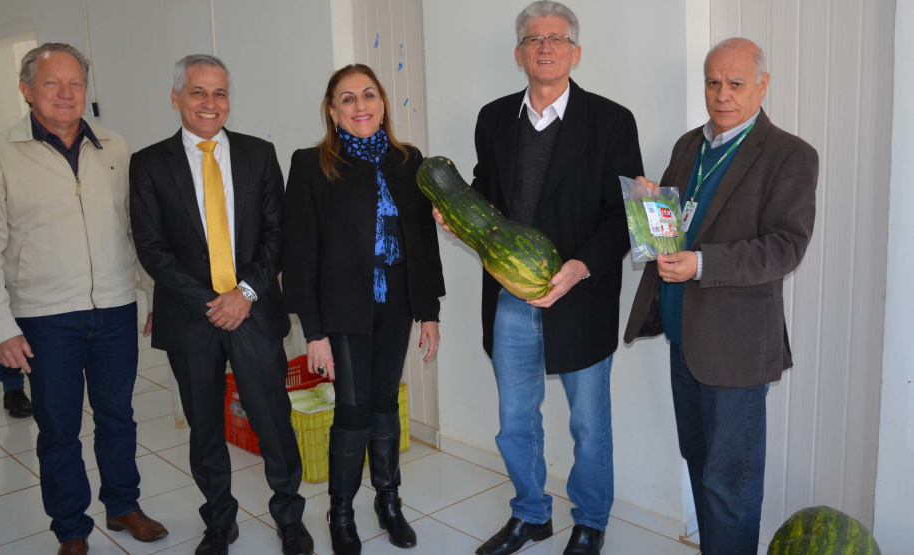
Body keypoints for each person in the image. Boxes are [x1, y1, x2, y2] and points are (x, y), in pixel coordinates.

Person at [433, 2, 643, 554]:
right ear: (519, 54)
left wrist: (579, 267)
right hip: (509, 293)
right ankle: (530, 514)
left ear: (576, 51)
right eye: (533, 39)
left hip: (581, 292)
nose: (544, 47)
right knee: (513, 421)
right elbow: (485, 194)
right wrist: (457, 213)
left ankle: (591, 519)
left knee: (590, 425)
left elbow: (622, 215)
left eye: (556, 37)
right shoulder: (494, 118)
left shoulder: (611, 120)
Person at [624, 38, 818, 555]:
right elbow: (673, 231)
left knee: (729, 487)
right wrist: (650, 205)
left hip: (735, 353)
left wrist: (703, 263)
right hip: (682, 339)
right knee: (699, 464)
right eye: (713, 82)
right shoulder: (690, 144)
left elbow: (785, 247)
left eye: (736, 83)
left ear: (763, 85)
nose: (723, 94)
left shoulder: (790, 155)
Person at [129, 54, 311, 555]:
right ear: (176, 98)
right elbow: (151, 249)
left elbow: (278, 233)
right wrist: (212, 302)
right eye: (198, 92)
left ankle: (290, 518)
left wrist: (244, 293)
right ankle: (219, 521)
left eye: (220, 93)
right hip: (191, 319)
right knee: (206, 427)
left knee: (273, 421)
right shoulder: (148, 163)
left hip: (252, 311)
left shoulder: (258, 153)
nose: (210, 104)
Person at [0, 43, 165, 555]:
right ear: (27, 91)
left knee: (119, 416)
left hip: (115, 307)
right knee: (59, 431)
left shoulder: (115, 146)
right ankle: (71, 528)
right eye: (52, 83)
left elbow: (135, 231)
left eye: (75, 83)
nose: (66, 94)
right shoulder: (6, 154)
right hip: (45, 318)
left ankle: (123, 505)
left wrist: (153, 292)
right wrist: (2, 326)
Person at [282, 64, 445, 555]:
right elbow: (299, 251)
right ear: (333, 111)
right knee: (352, 410)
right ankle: (343, 511)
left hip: (396, 304)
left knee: (384, 406)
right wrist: (313, 331)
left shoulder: (408, 159)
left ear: (382, 103)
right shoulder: (311, 164)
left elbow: (422, 239)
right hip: (342, 310)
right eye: (347, 99)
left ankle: (389, 502)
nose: (360, 106)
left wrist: (430, 310)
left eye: (368, 95)